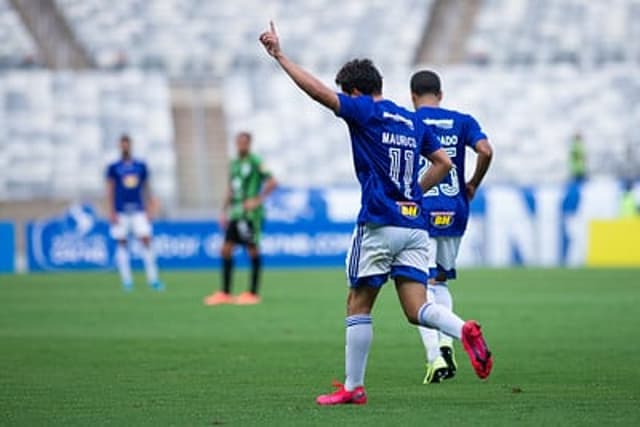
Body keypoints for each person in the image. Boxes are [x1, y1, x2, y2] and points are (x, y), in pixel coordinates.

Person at [259, 22, 493, 405]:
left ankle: (354, 387)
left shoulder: (365, 111)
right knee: (418, 308)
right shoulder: (410, 119)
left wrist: (280, 56)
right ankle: (463, 327)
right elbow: (445, 163)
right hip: (415, 226)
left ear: (355, 91)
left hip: (381, 222)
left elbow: (319, 93)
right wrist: (415, 191)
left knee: (358, 302)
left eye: (346, 93)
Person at [410, 70, 494, 384]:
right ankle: (446, 343)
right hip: (455, 209)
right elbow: (485, 150)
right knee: (440, 283)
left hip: (420, 209)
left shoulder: (410, 120)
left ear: (413, 96)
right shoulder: (463, 121)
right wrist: (472, 182)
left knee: (417, 288)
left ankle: (435, 358)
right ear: (441, 94)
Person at [204, 132, 277, 306]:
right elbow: (230, 189)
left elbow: (273, 182)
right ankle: (226, 292)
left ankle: (253, 293)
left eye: (244, 143)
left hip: (250, 215)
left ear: (249, 143)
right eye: (239, 142)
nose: (241, 145)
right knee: (225, 249)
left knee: (252, 250)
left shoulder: (256, 161)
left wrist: (257, 200)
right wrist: (223, 211)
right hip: (235, 213)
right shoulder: (234, 163)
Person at [106, 134, 163, 291]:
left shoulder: (140, 166)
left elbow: (146, 187)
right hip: (121, 211)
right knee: (122, 243)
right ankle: (127, 281)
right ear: (119, 146)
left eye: (127, 144)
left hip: (138, 210)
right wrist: (111, 211)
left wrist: (151, 207)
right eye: (122, 145)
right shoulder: (114, 167)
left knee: (146, 240)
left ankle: (153, 279)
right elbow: (110, 189)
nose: (125, 147)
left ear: (130, 145)